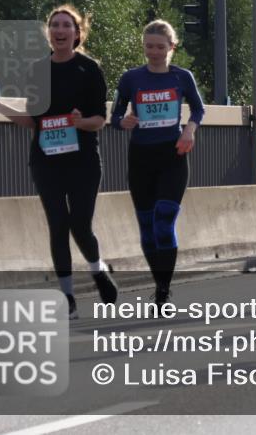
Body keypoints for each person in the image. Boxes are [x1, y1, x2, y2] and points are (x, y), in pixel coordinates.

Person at [0, 5, 117, 319]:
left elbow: (100, 119)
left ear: (76, 33)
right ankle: (67, 297)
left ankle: (98, 271)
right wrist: (1, 107)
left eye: (66, 26)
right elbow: (33, 121)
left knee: (80, 226)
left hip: (83, 160)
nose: (59, 31)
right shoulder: (37, 71)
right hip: (47, 160)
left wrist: (80, 122)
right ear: (49, 33)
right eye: (54, 25)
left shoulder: (90, 69)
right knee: (58, 226)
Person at [111, 20, 205, 305]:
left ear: (171, 48)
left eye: (160, 47)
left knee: (164, 221)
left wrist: (189, 130)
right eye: (149, 46)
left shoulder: (181, 77)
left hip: (172, 156)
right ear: (143, 47)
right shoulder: (131, 78)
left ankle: (163, 290)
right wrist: (122, 121)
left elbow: (198, 109)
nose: (154, 52)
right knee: (147, 226)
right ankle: (158, 280)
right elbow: (114, 116)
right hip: (141, 157)